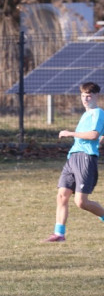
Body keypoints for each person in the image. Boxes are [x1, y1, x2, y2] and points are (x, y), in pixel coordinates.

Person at [45, 81, 104, 242]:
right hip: (72, 158)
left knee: (81, 202)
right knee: (62, 195)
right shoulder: (86, 115)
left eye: (89, 96)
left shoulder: (98, 113)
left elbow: (93, 135)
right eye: (83, 96)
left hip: (85, 158)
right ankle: (59, 234)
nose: (85, 99)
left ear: (96, 96)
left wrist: (70, 133)